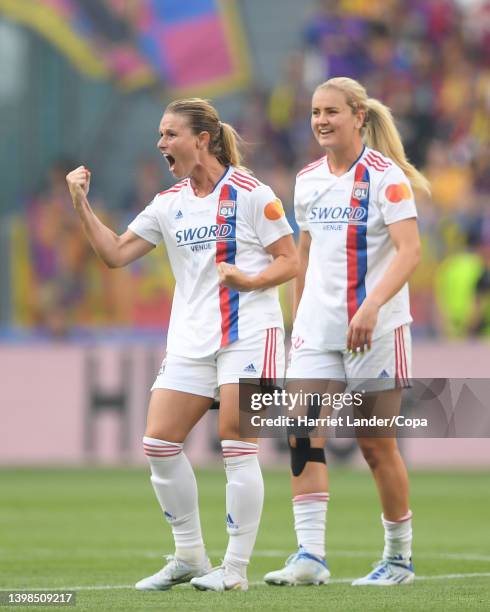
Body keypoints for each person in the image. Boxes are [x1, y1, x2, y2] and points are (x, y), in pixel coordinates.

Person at [66, 98, 298, 592]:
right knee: (158, 442)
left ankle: (234, 570)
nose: (161, 143)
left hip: (251, 332)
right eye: (160, 134)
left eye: (170, 134)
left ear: (202, 140)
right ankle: (190, 554)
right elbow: (114, 254)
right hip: (191, 339)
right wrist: (80, 203)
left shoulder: (253, 194)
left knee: (237, 442)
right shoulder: (168, 203)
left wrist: (249, 280)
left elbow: (289, 260)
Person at [263, 77, 430, 587]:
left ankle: (398, 560)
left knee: (375, 444)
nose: (321, 121)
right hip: (317, 330)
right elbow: (305, 255)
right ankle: (310, 556)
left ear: (358, 115)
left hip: (375, 331)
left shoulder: (386, 178)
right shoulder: (308, 178)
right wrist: (297, 323)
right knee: (300, 433)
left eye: (331, 112)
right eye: (315, 112)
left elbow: (410, 251)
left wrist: (372, 306)